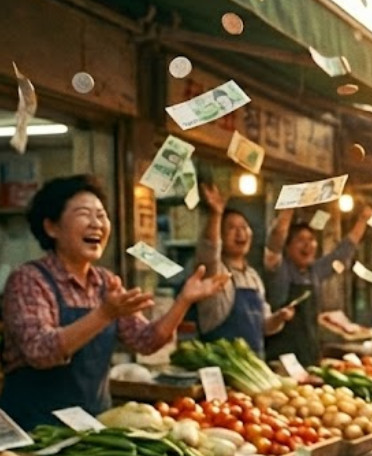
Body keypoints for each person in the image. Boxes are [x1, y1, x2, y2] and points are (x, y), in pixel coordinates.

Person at [0, 175, 228, 428]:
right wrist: (104, 314)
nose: (96, 223)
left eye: (101, 215)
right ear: (52, 227)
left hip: (93, 425)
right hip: (34, 428)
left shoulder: (104, 281)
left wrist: (184, 300)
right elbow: (40, 351)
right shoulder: (29, 280)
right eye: (84, 214)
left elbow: (147, 340)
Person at [263, 205, 372, 365]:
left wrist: (363, 220)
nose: (308, 245)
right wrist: (288, 210)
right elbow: (275, 241)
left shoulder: (314, 271)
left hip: (309, 352)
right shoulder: (279, 270)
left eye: (311, 240)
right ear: (287, 247)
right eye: (300, 240)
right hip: (281, 356)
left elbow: (342, 252)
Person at [195, 184, 293, 356]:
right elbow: (209, 248)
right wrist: (216, 214)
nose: (240, 233)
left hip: (255, 366)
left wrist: (279, 318)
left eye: (244, 227)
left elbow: (265, 327)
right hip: (222, 368)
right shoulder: (215, 272)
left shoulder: (253, 276)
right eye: (232, 228)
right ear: (221, 236)